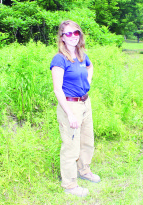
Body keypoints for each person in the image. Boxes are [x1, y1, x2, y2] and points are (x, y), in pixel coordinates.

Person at [50, 20, 100, 197]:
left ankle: (84, 171)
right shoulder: (59, 59)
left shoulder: (80, 54)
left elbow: (90, 66)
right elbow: (57, 89)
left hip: (85, 103)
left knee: (87, 141)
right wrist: (69, 114)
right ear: (62, 37)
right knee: (71, 147)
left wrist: (88, 81)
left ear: (80, 35)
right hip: (70, 105)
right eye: (68, 34)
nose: (73, 37)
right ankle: (70, 185)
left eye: (76, 33)